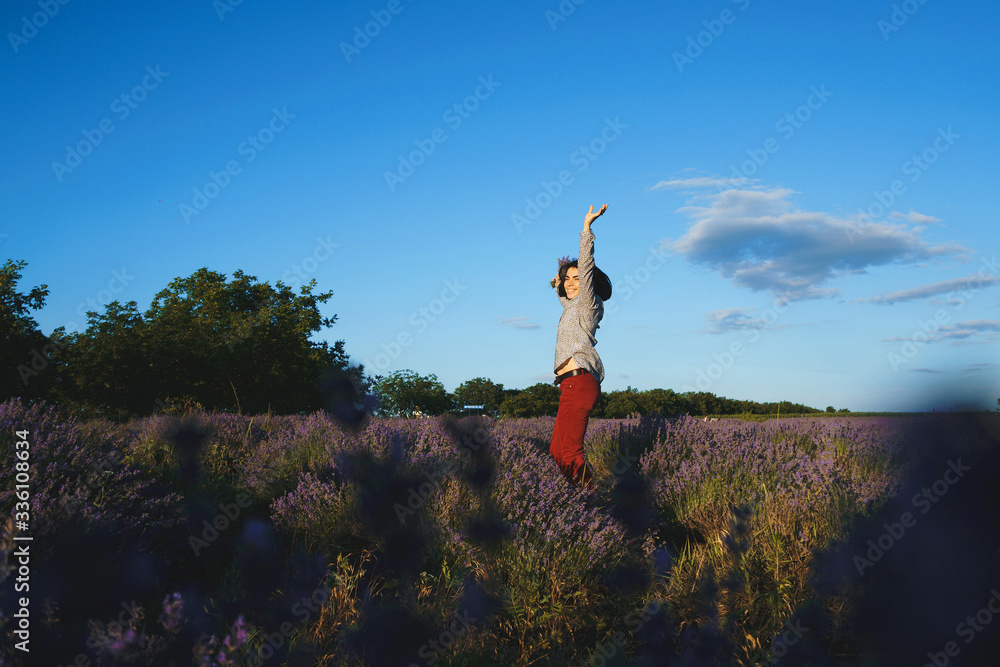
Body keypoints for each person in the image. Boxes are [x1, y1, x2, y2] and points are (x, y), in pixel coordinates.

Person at [549, 204, 609, 490]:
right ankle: (575, 502)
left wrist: (586, 229)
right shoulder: (573, 307)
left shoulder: (588, 302)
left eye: (578, 279)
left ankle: (595, 503)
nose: (573, 284)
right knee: (556, 452)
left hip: (580, 383)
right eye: (568, 280)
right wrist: (558, 281)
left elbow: (585, 268)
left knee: (570, 453)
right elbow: (564, 294)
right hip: (569, 386)